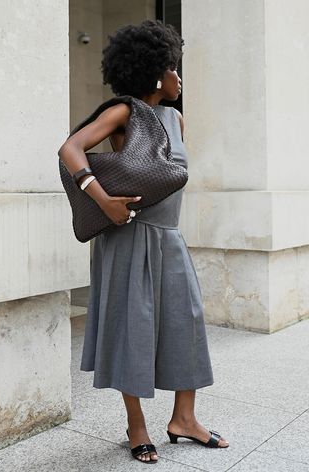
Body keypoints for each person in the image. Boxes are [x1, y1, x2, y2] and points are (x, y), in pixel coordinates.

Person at [58, 19, 229, 465]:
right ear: (157, 73)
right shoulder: (124, 112)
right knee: (132, 329)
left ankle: (184, 420)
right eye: (174, 68)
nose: (179, 77)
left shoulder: (175, 117)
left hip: (170, 237)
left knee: (186, 323)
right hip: (128, 237)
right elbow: (70, 149)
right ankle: (137, 426)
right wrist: (103, 198)